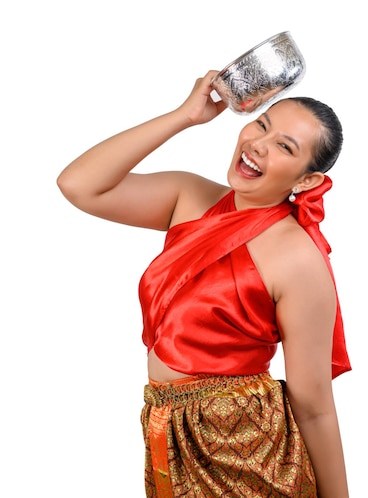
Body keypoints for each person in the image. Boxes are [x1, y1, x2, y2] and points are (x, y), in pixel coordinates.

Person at [57, 70, 351, 498]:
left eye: (284, 147)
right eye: (262, 125)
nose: (257, 146)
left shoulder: (299, 259)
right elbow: (79, 185)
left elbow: (314, 407)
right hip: (168, 432)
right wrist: (184, 116)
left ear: (306, 181)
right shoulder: (188, 196)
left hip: (248, 450)